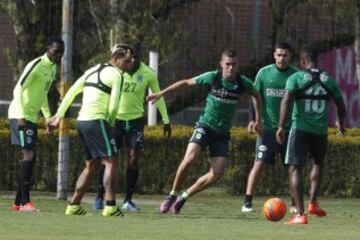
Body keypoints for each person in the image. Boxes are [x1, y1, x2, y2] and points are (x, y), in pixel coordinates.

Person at [147, 49, 262, 214]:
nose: (230, 68)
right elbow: (186, 83)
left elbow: (257, 95)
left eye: (234, 65)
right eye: (227, 64)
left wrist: (258, 121)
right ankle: (172, 195)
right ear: (221, 64)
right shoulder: (213, 77)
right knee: (190, 158)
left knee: (217, 172)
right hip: (205, 126)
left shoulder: (243, 83)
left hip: (222, 133)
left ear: (238, 66)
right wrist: (162, 93)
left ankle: (184, 197)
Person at [49, 44, 134, 217]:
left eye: (132, 60)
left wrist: (59, 114)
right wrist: (109, 124)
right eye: (126, 61)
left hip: (82, 122)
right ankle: (110, 206)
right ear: (117, 59)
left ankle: (73, 205)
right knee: (111, 161)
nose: (130, 64)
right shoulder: (118, 75)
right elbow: (114, 105)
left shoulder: (93, 69)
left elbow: (72, 91)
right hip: (97, 121)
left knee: (92, 165)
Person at [94, 44, 171, 211]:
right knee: (108, 159)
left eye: (134, 57)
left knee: (133, 159)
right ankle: (100, 196)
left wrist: (165, 120)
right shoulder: (115, 72)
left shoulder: (148, 73)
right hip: (115, 121)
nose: (131, 61)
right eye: (128, 59)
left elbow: (159, 96)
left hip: (135, 122)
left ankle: (128, 200)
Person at [276, 47, 346, 224]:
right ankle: (313, 203)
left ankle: (300, 214)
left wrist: (281, 126)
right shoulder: (328, 79)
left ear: (302, 62)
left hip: (300, 129)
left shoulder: (296, 78)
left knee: (295, 167)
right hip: (320, 132)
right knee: (318, 163)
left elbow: (286, 100)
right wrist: (341, 124)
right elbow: (340, 104)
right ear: (317, 61)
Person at [8, 37, 64, 212]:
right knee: (29, 155)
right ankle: (25, 202)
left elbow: (43, 95)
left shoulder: (53, 69)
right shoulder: (37, 64)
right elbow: (18, 88)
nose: (59, 54)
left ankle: (18, 202)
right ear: (48, 49)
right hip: (20, 115)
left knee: (31, 157)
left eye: (61, 52)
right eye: (56, 51)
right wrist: (21, 115)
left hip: (31, 117)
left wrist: (48, 117)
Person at [242, 42, 298, 213]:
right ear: (274, 55)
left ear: (290, 57)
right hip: (267, 129)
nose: (282, 58)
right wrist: (253, 120)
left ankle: (295, 204)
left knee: (293, 167)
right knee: (259, 163)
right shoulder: (264, 73)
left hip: (289, 130)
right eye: (279, 54)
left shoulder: (296, 75)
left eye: (285, 55)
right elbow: (254, 96)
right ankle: (247, 201)